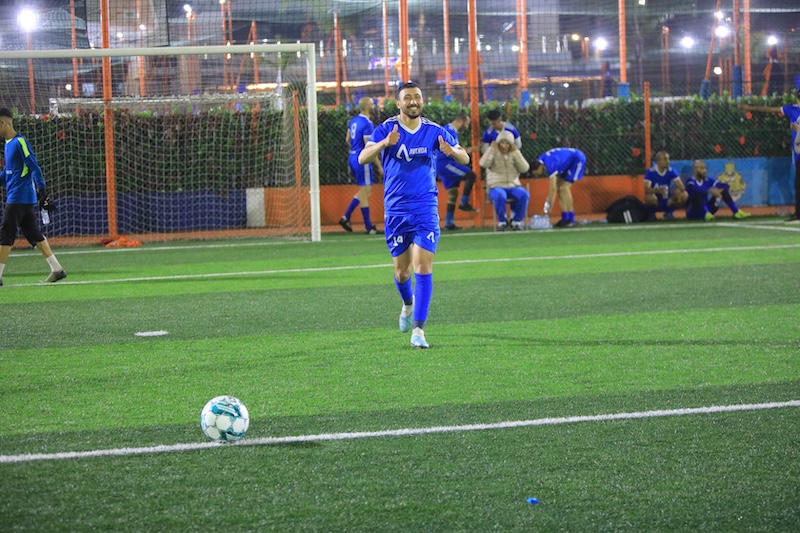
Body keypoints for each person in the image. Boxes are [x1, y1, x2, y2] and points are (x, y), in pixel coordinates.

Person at [358, 81, 469, 348]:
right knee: (402, 273)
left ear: (422, 101)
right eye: (407, 97)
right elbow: (363, 157)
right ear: (398, 103)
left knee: (423, 266)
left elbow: (465, 157)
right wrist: (384, 143)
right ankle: (408, 303)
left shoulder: (434, 130)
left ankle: (418, 330)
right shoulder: (387, 128)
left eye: (417, 97)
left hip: (425, 207)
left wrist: (452, 152)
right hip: (396, 209)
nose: (413, 101)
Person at [0, 107, 66, 285]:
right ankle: (57, 269)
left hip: (19, 197)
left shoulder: (20, 142)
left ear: (3, 123)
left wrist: (42, 191)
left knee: (6, 232)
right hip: (21, 198)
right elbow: (7, 173)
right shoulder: (8, 144)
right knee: (33, 233)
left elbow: (34, 166)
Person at [740, 90, 800, 223]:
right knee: (798, 183)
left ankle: (798, 213)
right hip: (798, 151)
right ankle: (798, 213)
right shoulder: (792, 109)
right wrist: (751, 108)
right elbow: (770, 109)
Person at [340, 97, 383, 234]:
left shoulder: (353, 120)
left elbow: (347, 139)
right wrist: (379, 166)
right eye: (371, 104)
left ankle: (346, 217)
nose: (374, 106)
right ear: (366, 107)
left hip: (352, 156)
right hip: (362, 159)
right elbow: (369, 147)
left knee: (364, 190)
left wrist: (355, 150)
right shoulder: (367, 123)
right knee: (365, 192)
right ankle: (368, 226)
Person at [436, 111, 479, 230]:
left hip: (444, 163)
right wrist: (470, 150)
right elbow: (453, 151)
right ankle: (464, 203)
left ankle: (449, 223)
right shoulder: (449, 131)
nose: (467, 126)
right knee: (470, 175)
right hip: (445, 163)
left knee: (453, 194)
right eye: (467, 123)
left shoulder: (450, 130)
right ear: (461, 121)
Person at [479, 130, 530, 231]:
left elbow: (525, 168)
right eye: (502, 143)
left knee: (524, 194)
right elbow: (483, 164)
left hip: (513, 185)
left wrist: (516, 153)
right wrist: (491, 149)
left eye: (507, 143)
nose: (504, 146)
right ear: (498, 143)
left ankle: (516, 221)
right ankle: (502, 221)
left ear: (511, 144)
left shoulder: (514, 153)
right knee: (500, 195)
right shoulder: (492, 151)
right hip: (496, 185)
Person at [530, 147, 587, 228]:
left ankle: (571, 219)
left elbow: (553, 189)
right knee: (560, 188)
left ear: (539, 167)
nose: (537, 175)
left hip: (577, 160)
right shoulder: (540, 161)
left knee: (564, 188)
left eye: (536, 173)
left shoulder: (550, 164)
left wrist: (548, 209)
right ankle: (565, 218)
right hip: (566, 163)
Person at [685, 160, 751, 221]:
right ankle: (705, 214)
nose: (704, 171)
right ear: (695, 169)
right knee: (698, 194)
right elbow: (695, 190)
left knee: (723, 191)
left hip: (708, 209)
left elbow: (725, 186)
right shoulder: (690, 181)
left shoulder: (708, 180)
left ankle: (736, 212)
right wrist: (711, 191)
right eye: (702, 168)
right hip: (694, 211)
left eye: (705, 168)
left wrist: (719, 191)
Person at [643, 151, 688, 220]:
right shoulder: (650, 172)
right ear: (658, 161)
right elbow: (646, 189)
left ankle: (669, 212)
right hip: (656, 199)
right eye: (665, 159)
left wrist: (676, 194)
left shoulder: (671, 171)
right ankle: (651, 213)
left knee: (684, 194)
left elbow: (681, 187)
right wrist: (657, 191)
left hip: (667, 200)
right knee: (650, 197)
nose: (668, 161)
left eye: (668, 159)